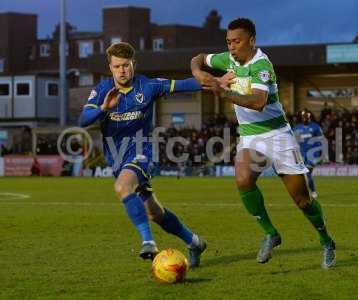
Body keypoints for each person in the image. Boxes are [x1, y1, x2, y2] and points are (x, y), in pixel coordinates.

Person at [191, 18, 336, 268]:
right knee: (243, 179)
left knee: (302, 200)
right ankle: (271, 233)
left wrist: (221, 90)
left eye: (237, 41)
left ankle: (326, 241)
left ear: (252, 40)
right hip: (251, 136)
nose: (232, 46)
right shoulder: (227, 60)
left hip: (278, 135)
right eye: (228, 42)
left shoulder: (262, 65)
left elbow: (258, 102)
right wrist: (199, 72)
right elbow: (198, 58)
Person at [79, 42, 206, 267]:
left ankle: (148, 242)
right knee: (155, 213)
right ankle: (194, 241)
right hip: (117, 158)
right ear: (110, 67)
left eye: (126, 65)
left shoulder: (147, 86)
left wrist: (216, 82)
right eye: (117, 66)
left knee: (122, 187)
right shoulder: (101, 91)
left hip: (141, 152)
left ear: (133, 65)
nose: (122, 70)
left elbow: (186, 84)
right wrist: (104, 108)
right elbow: (83, 120)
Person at [293, 110, 326, 198]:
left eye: (306, 117)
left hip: (313, 154)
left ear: (309, 117)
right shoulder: (297, 128)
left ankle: (313, 191)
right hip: (301, 154)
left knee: (308, 172)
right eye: (303, 117)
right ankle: (308, 191)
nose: (305, 119)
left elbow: (321, 140)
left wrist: (322, 154)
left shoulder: (315, 127)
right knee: (301, 175)